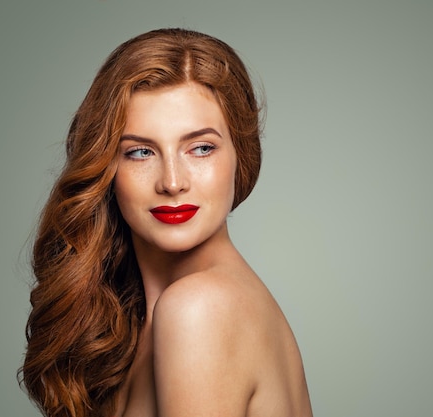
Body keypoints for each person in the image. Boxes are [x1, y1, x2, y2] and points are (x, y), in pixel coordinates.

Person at [21, 28, 313, 417]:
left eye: (201, 148)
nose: (172, 182)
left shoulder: (200, 309)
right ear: (108, 167)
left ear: (240, 154)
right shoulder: (137, 324)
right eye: (141, 152)